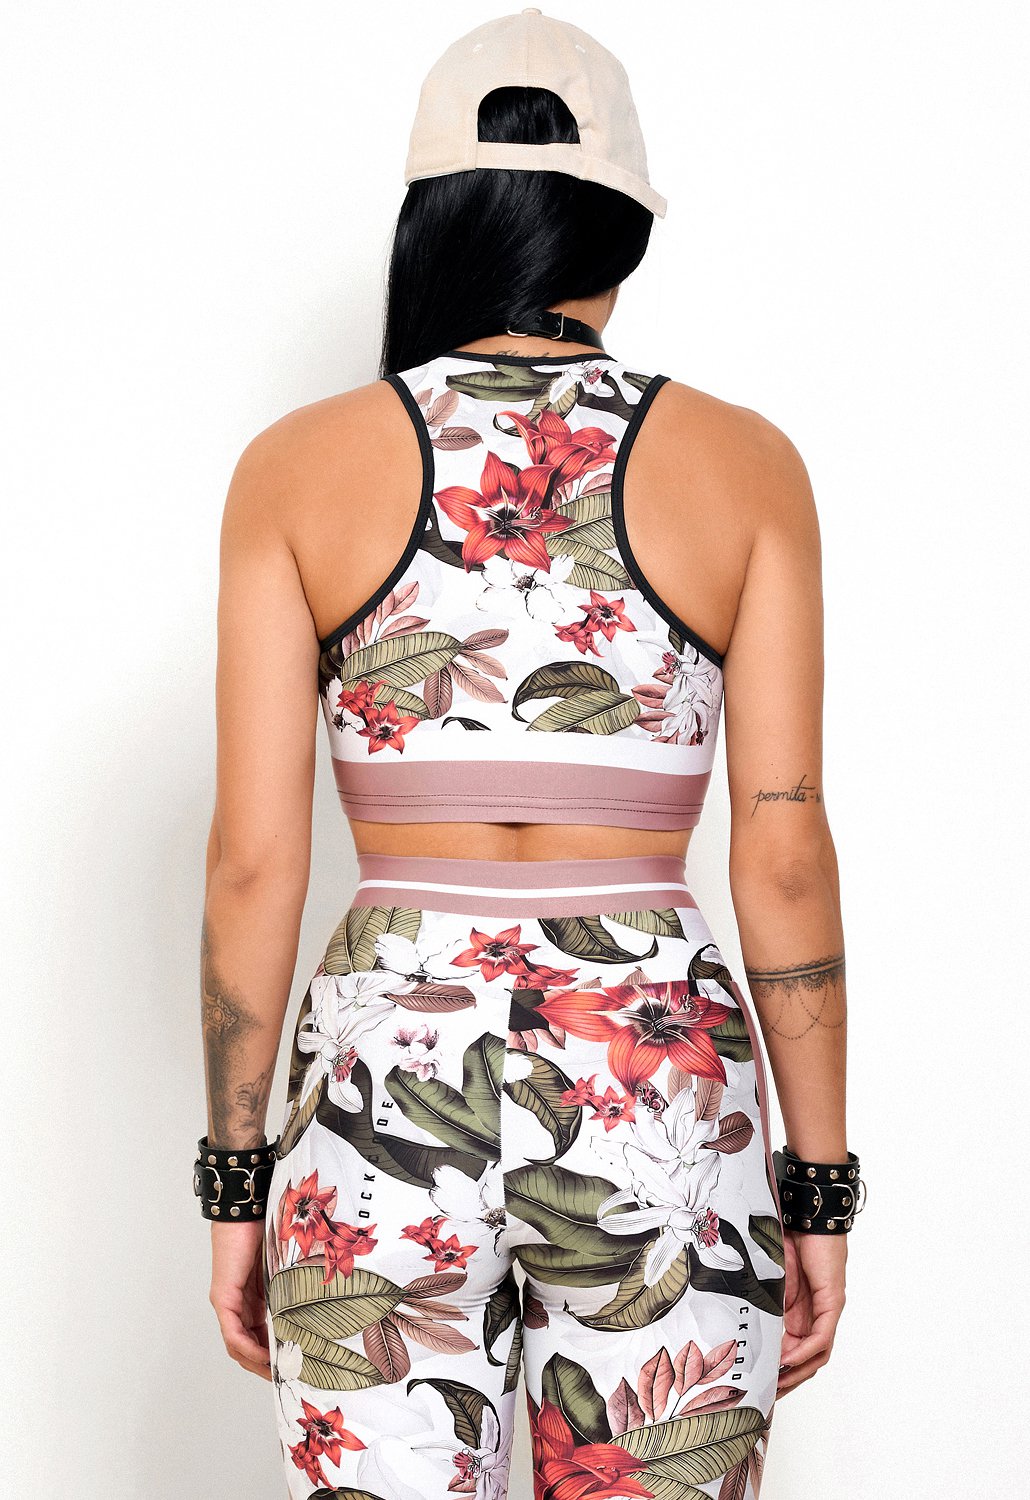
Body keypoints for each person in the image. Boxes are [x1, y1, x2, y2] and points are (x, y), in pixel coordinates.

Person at [193, 11, 862, 1498]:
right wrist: (820, 1187)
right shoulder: (746, 465)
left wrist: (235, 1179)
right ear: (623, 228)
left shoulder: (295, 466)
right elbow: (781, 854)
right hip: (652, 1072)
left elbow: (252, 862)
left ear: (435, 218)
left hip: (384, 1065)